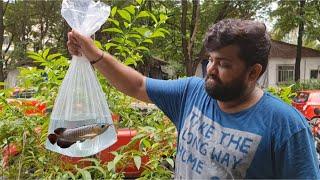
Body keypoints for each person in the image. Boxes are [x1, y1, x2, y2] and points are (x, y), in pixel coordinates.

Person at [67, 19, 320, 179]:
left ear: (253, 72)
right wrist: (94, 54)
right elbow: (137, 85)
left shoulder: (286, 126)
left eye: (223, 64)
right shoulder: (192, 93)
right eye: (210, 59)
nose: (210, 69)